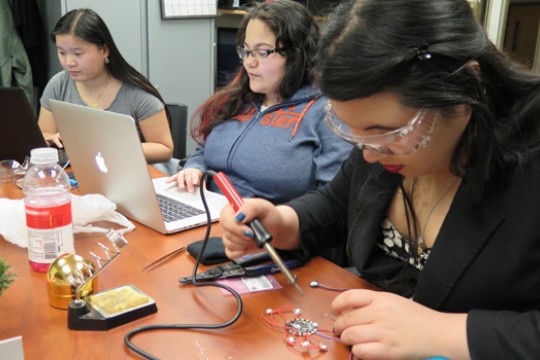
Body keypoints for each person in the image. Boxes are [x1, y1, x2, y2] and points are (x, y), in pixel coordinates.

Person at [219, 0, 540, 359]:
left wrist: (447, 332)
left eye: (386, 134)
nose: (369, 154)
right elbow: (339, 203)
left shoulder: (530, 159)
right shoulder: (381, 140)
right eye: (356, 136)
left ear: (465, 89)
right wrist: (283, 222)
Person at [167, 0, 352, 203]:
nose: (249, 62)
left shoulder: (326, 113)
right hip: (205, 209)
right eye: (246, 51)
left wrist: (281, 219)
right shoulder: (239, 98)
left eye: (262, 52)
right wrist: (194, 168)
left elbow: (333, 202)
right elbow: (204, 149)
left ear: (296, 55)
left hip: (262, 226)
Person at [38, 8, 173, 164]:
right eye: (62, 52)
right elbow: (43, 133)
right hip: (75, 175)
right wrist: (52, 138)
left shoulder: (137, 93)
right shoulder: (59, 84)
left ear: (104, 50)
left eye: (78, 53)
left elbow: (165, 149)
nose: (69, 62)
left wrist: (107, 148)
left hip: (126, 174)